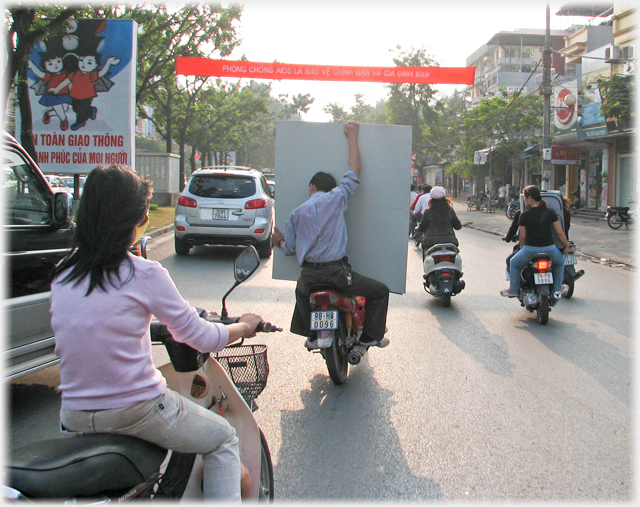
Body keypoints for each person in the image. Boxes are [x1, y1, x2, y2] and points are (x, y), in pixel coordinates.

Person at [51, 165, 263, 502]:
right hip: (135, 410)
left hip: (73, 416)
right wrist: (244, 327)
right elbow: (204, 338)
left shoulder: (63, 274)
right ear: (135, 223)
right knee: (222, 439)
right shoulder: (143, 274)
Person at [271, 121, 390, 350]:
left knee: (301, 292)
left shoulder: (296, 214)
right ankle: (368, 339)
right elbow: (354, 171)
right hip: (337, 274)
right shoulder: (337, 197)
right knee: (380, 291)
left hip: (308, 278)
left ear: (312, 186)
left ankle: (311, 334)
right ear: (330, 187)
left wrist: (279, 240)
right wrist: (352, 136)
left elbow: (290, 249)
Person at [500, 185, 572, 299]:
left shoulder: (524, 215)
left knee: (513, 263)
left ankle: (513, 289)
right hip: (550, 249)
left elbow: (522, 237)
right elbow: (560, 232)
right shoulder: (550, 212)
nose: (524, 200)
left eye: (524, 197)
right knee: (560, 262)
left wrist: (522, 248)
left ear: (530, 198)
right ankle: (558, 287)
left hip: (530, 249)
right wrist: (567, 245)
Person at [415, 186, 462, 254]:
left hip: (430, 243)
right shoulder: (449, 210)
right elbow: (458, 226)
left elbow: (422, 228)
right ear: (445, 198)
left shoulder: (428, 212)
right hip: (449, 241)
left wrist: (418, 229)